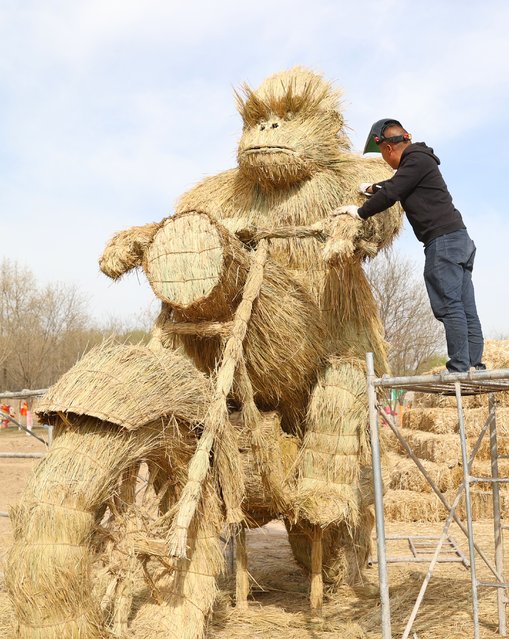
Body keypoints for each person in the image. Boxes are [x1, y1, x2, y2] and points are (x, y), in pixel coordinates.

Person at [334, 118, 484, 373]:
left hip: (443, 243)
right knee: (465, 307)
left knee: (450, 307)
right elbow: (396, 185)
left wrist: (359, 213)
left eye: (382, 154)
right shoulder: (420, 161)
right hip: (459, 241)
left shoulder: (415, 159)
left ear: (388, 148)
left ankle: (459, 368)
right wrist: (371, 187)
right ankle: (474, 365)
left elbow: (392, 192)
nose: (385, 160)